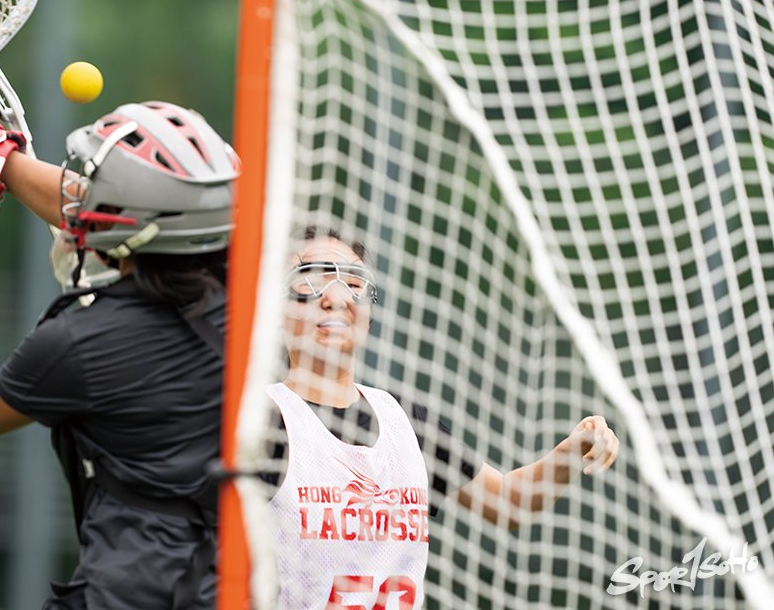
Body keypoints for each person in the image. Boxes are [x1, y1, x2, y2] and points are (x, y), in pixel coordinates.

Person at [0, 80, 238, 610]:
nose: (81, 193)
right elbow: (127, 216)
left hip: (127, 593)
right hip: (234, 588)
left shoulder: (84, 342)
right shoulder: (249, 307)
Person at [264, 227, 619, 609]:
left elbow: (510, 502)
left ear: (368, 315)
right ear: (277, 310)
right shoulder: (263, 419)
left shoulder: (405, 422)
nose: (336, 297)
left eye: (353, 282)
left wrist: (569, 452)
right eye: (312, 281)